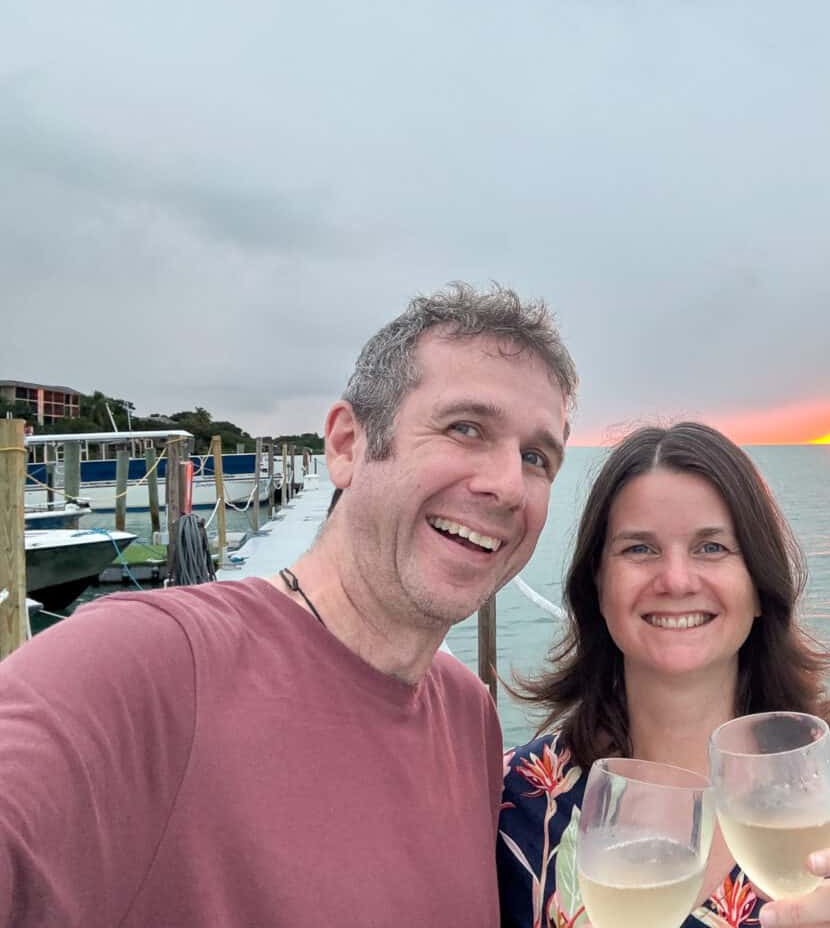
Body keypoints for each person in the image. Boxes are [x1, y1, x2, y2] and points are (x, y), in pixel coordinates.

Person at [0, 284, 577, 927]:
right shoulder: (140, 670)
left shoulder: (468, 715)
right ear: (347, 446)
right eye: (465, 427)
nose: (504, 485)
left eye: (535, 457)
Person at [499, 422, 830, 928]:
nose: (676, 580)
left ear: (758, 586)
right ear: (597, 583)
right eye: (639, 548)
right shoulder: (522, 799)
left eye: (712, 548)